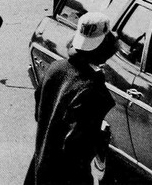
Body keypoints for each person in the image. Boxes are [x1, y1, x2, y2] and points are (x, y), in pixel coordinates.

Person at [24, 11, 118, 185]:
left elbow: (40, 114)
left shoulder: (55, 69)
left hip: (40, 168)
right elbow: (76, 148)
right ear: (107, 45)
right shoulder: (93, 89)